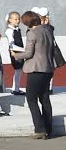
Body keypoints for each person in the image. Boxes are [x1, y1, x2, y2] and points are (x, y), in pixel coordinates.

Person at [11, 11, 56, 139]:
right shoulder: (47, 30)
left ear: (27, 22)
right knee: (45, 99)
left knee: (31, 99)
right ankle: (48, 129)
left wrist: (16, 55)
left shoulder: (32, 33)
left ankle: (40, 129)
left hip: (35, 69)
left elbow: (29, 53)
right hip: (48, 69)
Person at [5, 11, 25, 96]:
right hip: (15, 53)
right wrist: (23, 50)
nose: (18, 21)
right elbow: (11, 45)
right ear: (10, 20)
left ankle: (16, 88)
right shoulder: (9, 31)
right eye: (15, 19)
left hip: (19, 52)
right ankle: (15, 89)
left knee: (19, 71)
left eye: (18, 19)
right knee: (18, 70)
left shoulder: (17, 29)